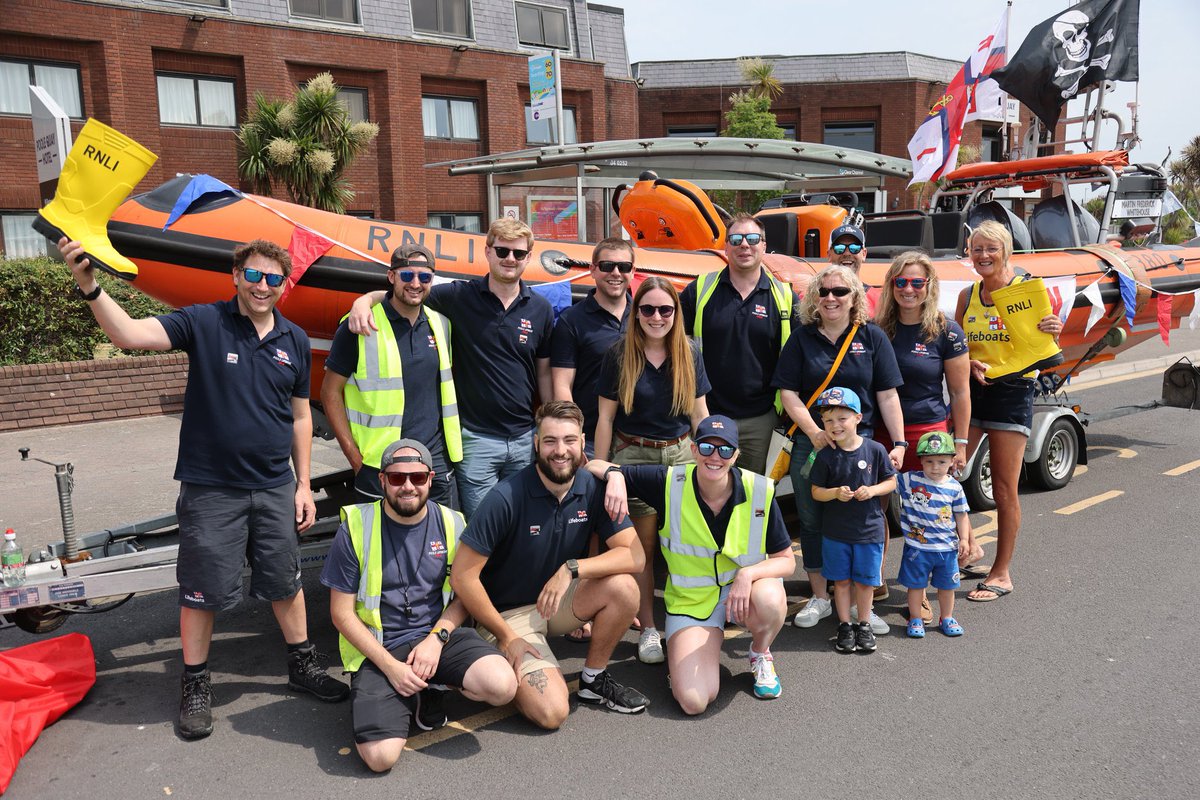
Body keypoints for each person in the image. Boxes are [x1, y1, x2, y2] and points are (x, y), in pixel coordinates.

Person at [58, 236, 348, 741]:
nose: (262, 286)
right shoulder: (204, 322)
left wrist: (303, 484)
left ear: (284, 284)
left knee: (285, 581)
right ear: (236, 276)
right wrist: (90, 286)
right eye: (253, 275)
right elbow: (129, 334)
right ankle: (195, 684)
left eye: (273, 278)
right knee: (201, 590)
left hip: (274, 485)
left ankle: (302, 666)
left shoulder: (295, 340)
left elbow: (301, 417)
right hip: (212, 487)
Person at [449, 401, 649, 729]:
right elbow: (462, 577)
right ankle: (496, 661)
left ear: (581, 442)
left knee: (624, 587)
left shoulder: (592, 488)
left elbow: (635, 556)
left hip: (557, 600)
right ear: (536, 443)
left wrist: (572, 568)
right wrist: (507, 636)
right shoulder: (505, 497)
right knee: (552, 712)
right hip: (507, 616)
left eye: (569, 440)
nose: (560, 451)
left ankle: (593, 680)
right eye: (550, 441)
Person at [321, 440, 516, 772]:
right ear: (382, 480)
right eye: (397, 478)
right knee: (379, 758)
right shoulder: (355, 526)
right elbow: (341, 614)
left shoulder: (453, 522)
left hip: (437, 638)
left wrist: (436, 640)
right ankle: (407, 691)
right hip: (381, 648)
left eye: (417, 477)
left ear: (430, 478)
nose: (408, 486)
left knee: (503, 686)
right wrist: (391, 668)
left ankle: (431, 685)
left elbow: (463, 597)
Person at [586, 415, 795, 714]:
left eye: (725, 450)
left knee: (771, 598)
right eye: (707, 447)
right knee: (694, 702)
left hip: (743, 596)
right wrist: (616, 475)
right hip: (692, 602)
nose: (715, 457)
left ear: (736, 455)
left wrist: (748, 575)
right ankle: (689, 659)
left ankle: (760, 653)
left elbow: (786, 561)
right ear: (694, 450)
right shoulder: (670, 482)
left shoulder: (759, 490)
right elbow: (593, 465)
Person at [348, 219, 554, 519]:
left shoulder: (541, 308)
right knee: (481, 527)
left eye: (518, 253)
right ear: (488, 251)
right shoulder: (459, 296)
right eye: (502, 251)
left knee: (522, 522)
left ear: (529, 257)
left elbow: (544, 373)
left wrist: (548, 425)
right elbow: (409, 292)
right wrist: (364, 300)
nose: (510, 258)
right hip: (476, 440)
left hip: (524, 438)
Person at [772, 264, 904, 633]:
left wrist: (899, 442)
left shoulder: (872, 337)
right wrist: (815, 432)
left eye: (840, 291)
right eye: (824, 291)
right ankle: (820, 596)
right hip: (812, 444)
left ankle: (863, 606)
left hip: (861, 446)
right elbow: (788, 393)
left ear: (854, 297)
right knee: (812, 519)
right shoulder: (801, 338)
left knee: (864, 522)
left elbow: (887, 394)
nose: (831, 297)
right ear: (814, 298)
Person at [594, 276, 711, 665]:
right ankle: (648, 628)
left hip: (681, 455)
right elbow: (605, 419)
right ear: (636, 312)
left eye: (665, 309)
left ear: (676, 312)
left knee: (684, 543)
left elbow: (699, 415)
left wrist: (711, 457)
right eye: (647, 309)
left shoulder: (690, 352)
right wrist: (601, 470)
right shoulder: (619, 354)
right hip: (632, 458)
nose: (657, 317)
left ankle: (688, 618)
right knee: (640, 549)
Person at [954, 221, 1062, 602]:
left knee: (1003, 488)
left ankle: (1001, 573)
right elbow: (957, 347)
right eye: (977, 248)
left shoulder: (1027, 291)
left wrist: (1054, 329)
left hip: (1012, 391)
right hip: (970, 392)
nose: (983, 255)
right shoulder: (967, 295)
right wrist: (967, 363)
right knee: (947, 472)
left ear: (1006, 251)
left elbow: (1047, 345)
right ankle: (971, 547)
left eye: (991, 248)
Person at [873, 251, 974, 622]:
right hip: (882, 431)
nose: (909, 289)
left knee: (925, 513)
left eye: (917, 282)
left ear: (929, 285)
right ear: (891, 285)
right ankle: (874, 580)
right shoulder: (878, 328)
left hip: (928, 434)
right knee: (874, 509)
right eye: (901, 282)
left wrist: (960, 444)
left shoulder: (946, 330)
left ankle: (922, 590)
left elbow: (960, 392)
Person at [322, 243, 460, 506]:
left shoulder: (441, 324)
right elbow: (330, 393)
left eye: (424, 277)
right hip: (380, 464)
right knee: (380, 533)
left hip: (435, 463)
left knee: (442, 532)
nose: (415, 284)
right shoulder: (360, 324)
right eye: (407, 275)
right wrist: (354, 458)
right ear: (391, 276)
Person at [679, 213, 798, 474]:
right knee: (707, 489)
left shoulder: (785, 297)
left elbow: (800, 358)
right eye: (736, 239)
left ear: (764, 246)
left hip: (761, 420)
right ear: (726, 247)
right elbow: (672, 344)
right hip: (708, 414)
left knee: (754, 492)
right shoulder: (699, 290)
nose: (744, 244)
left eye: (752, 238)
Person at [808, 387, 897, 654]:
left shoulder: (875, 449)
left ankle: (864, 624)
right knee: (841, 581)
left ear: (858, 417)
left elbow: (891, 481)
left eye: (842, 418)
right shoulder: (825, 455)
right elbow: (816, 491)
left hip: (869, 531)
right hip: (836, 532)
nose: (835, 425)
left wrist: (873, 490)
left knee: (865, 582)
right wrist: (835, 493)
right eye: (828, 420)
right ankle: (845, 624)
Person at [550, 237, 634, 455]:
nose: (616, 273)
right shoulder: (572, 320)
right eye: (607, 266)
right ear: (593, 270)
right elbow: (562, 385)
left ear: (633, 272)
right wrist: (573, 436)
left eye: (624, 267)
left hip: (637, 439)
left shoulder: (646, 315)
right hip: (590, 439)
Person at [895, 432, 970, 639]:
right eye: (929, 461)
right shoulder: (910, 480)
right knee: (916, 586)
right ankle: (915, 618)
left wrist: (964, 539)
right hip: (917, 548)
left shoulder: (955, 487)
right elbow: (888, 477)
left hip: (947, 549)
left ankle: (947, 617)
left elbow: (961, 515)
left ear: (952, 461)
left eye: (941, 461)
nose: (935, 467)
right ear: (921, 460)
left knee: (947, 587)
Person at [827, 222, 882, 314]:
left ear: (864, 254)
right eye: (839, 248)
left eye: (854, 248)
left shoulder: (879, 300)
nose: (847, 253)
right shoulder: (814, 297)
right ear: (829, 255)